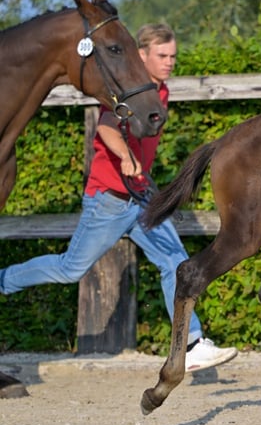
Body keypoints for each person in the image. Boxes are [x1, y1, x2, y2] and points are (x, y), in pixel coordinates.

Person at [0, 23, 237, 373]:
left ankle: (192, 343)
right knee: (70, 269)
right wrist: (126, 157)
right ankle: (3, 280)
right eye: (162, 55)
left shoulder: (161, 91)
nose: (170, 62)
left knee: (175, 260)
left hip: (139, 198)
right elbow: (107, 128)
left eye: (173, 56)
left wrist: (143, 176)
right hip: (108, 201)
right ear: (142, 55)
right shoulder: (124, 90)